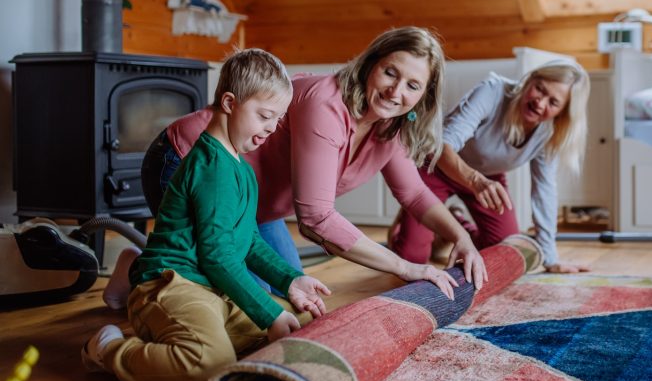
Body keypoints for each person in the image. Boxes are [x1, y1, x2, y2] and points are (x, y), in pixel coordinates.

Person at [105, 27, 486, 309]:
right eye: (390, 73)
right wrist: (407, 267)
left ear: (424, 94)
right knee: (232, 293)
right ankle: (147, 267)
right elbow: (316, 218)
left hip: (254, 203)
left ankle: (140, 262)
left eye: (413, 85)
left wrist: (462, 238)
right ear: (370, 64)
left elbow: (415, 194)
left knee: (286, 289)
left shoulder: (394, 125)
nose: (396, 91)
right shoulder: (325, 103)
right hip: (189, 163)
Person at [82, 48, 331, 381]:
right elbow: (218, 257)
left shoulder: (241, 167)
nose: (272, 129)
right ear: (230, 103)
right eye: (265, 116)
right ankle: (110, 349)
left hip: (212, 289)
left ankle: (198, 339)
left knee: (302, 318)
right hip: (172, 285)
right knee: (209, 366)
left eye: (278, 119)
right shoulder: (212, 168)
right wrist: (268, 316)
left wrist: (290, 281)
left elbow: (249, 241)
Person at [390, 61, 591, 273]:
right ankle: (403, 230)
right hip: (438, 167)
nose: (540, 103)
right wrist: (476, 181)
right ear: (530, 79)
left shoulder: (549, 133)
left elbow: (544, 190)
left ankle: (451, 225)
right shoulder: (493, 91)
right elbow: (444, 144)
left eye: (553, 102)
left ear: (562, 112)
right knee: (412, 259)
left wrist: (550, 258)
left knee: (504, 251)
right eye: (539, 89)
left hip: (487, 180)